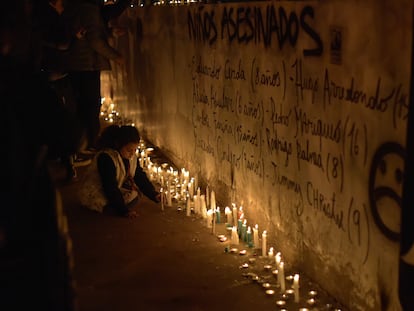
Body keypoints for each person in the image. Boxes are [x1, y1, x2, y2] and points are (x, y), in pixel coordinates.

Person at [64, 0, 125, 155]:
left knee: (83, 107)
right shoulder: (88, 8)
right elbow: (94, 39)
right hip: (86, 64)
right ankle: (88, 145)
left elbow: (90, 32)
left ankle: (81, 145)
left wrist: (110, 33)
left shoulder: (76, 6)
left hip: (78, 64)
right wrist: (116, 56)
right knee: (90, 107)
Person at [79, 125, 161, 218]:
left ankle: (114, 205)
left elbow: (139, 176)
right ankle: (110, 208)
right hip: (98, 190)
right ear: (118, 144)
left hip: (114, 187)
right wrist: (124, 211)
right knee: (126, 199)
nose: (132, 154)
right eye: (129, 150)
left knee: (134, 195)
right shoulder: (106, 158)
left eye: (135, 150)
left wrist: (153, 194)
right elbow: (110, 186)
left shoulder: (131, 157)